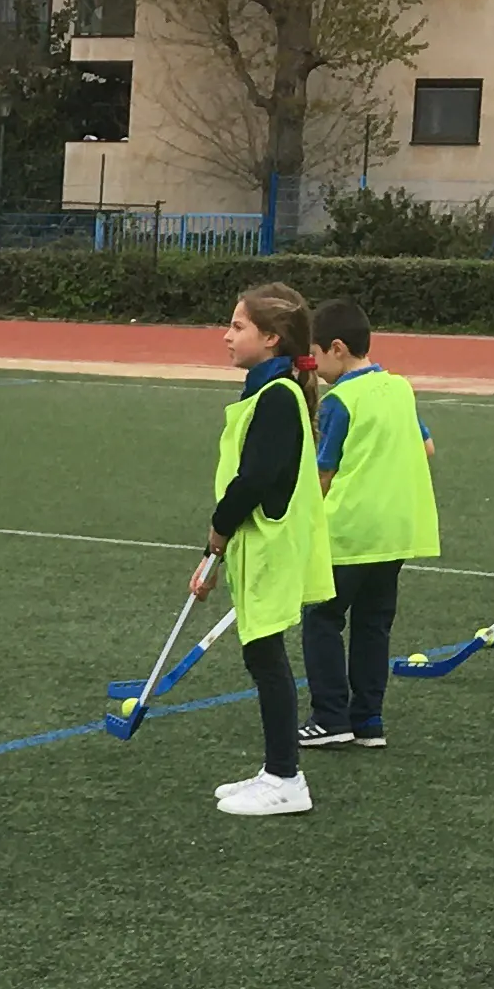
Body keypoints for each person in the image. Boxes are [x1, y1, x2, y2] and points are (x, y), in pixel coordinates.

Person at [200, 283, 335, 816]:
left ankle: (285, 778)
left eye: (238, 327)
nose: (227, 336)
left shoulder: (277, 396)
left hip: (269, 547)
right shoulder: (268, 392)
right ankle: (275, 769)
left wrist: (218, 531)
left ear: (272, 337)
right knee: (262, 657)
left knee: (266, 658)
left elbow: (255, 479)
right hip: (256, 546)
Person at [300, 299, 439, 751]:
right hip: (395, 531)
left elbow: (324, 473)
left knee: (322, 619)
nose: (314, 366)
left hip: (348, 531)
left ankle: (329, 717)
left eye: (315, 355)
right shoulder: (399, 387)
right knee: (373, 625)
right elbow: (427, 447)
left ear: (337, 349)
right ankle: (368, 720)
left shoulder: (340, 400)